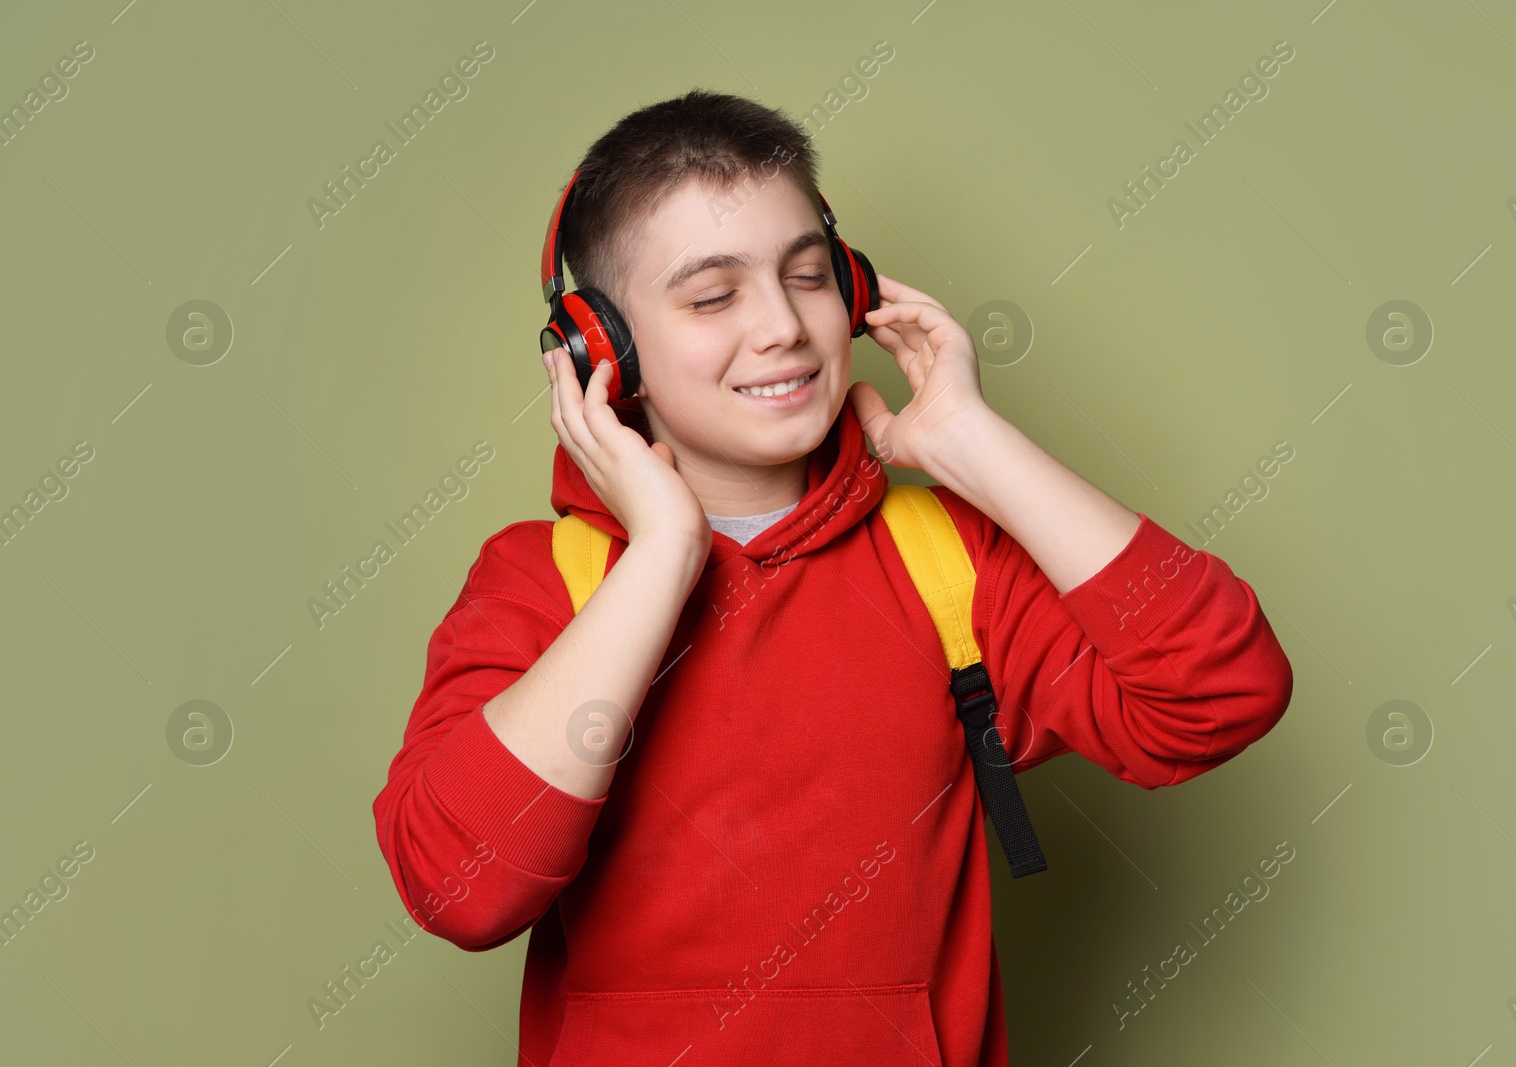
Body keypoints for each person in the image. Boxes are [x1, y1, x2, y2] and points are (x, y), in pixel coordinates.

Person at [372, 87, 1293, 1066]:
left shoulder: (946, 563)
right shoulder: (540, 578)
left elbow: (1220, 694)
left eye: (809, 275)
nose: (783, 325)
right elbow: (458, 888)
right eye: (714, 294)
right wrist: (662, 556)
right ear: (604, 348)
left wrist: (972, 442)